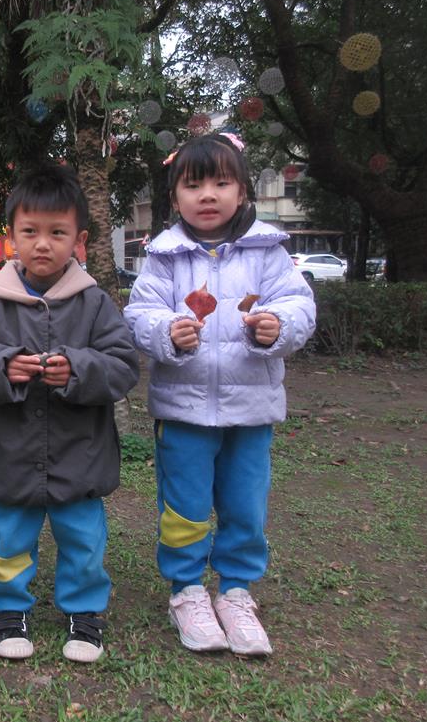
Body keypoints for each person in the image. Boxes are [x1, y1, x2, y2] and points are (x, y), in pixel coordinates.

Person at [124, 133, 316, 657]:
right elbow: (140, 314)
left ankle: (235, 591)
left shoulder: (267, 252)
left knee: (245, 505)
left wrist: (277, 327)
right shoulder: (163, 257)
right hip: (182, 411)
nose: (207, 194)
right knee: (183, 508)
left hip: (251, 410)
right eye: (193, 185)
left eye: (221, 183)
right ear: (174, 198)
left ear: (243, 191)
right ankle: (186, 590)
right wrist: (167, 333)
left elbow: (299, 304)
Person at [0, 162, 139, 663]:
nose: (42, 244)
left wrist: (77, 369)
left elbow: (123, 366)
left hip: (82, 454)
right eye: (30, 232)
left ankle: (85, 611)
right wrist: (3, 367)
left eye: (57, 233)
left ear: (80, 240)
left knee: (84, 540)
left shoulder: (94, 303)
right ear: (11, 236)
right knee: (9, 539)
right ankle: (10, 609)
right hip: (9, 453)